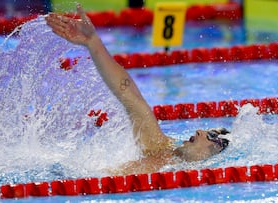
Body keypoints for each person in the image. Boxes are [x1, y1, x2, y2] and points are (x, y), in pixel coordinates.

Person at [45, 4, 230, 175]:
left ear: (210, 159)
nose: (199, 131)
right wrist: (93, 41)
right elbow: (128, 93)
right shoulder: (159, 146)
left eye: (211, 136)